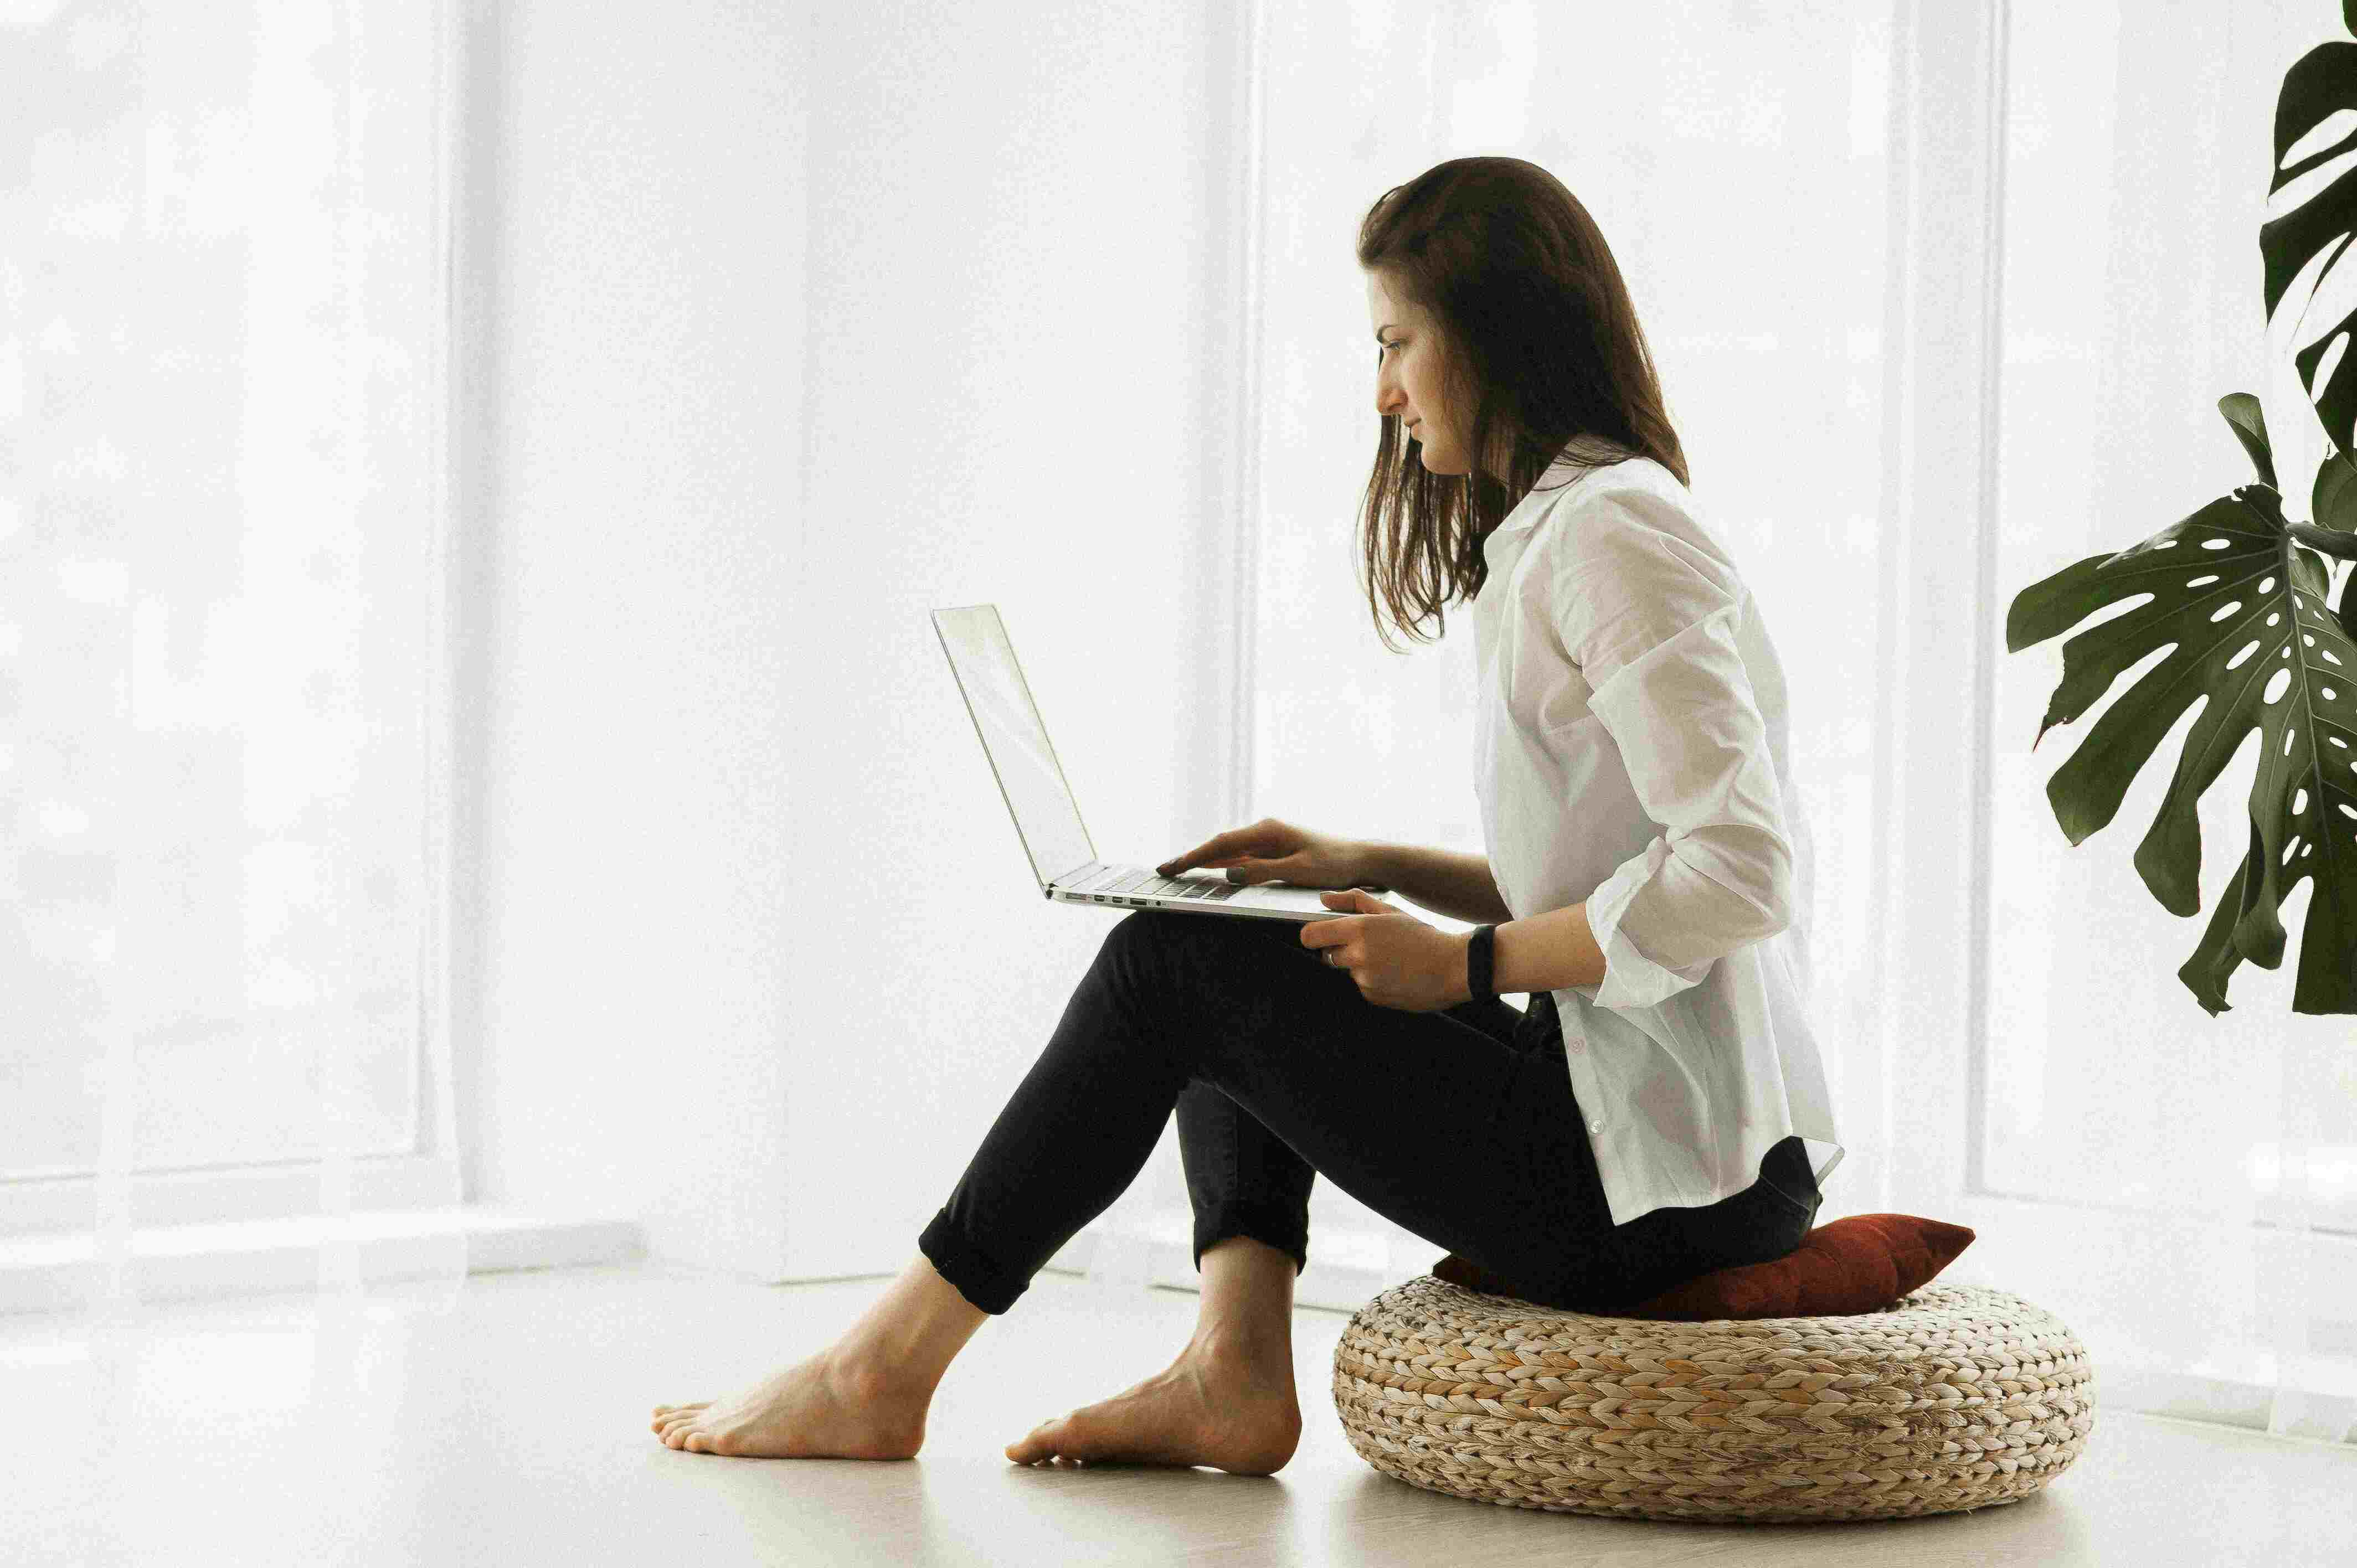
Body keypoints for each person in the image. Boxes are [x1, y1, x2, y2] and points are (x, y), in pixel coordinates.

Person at [649, 154, 1839, 1473]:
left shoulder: (1612, 531)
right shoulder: (1569, 528)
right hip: (1644, 1139)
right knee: (1251, 926)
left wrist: (1466, 966)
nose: (1382, 391)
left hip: (1664, 1191)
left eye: (1397, 343)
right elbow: (1625, 874)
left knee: (1171, 965)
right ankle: (1229, 1367)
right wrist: (1370, 865)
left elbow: (1736, 875)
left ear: (1492, 336)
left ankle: (882, 1371)